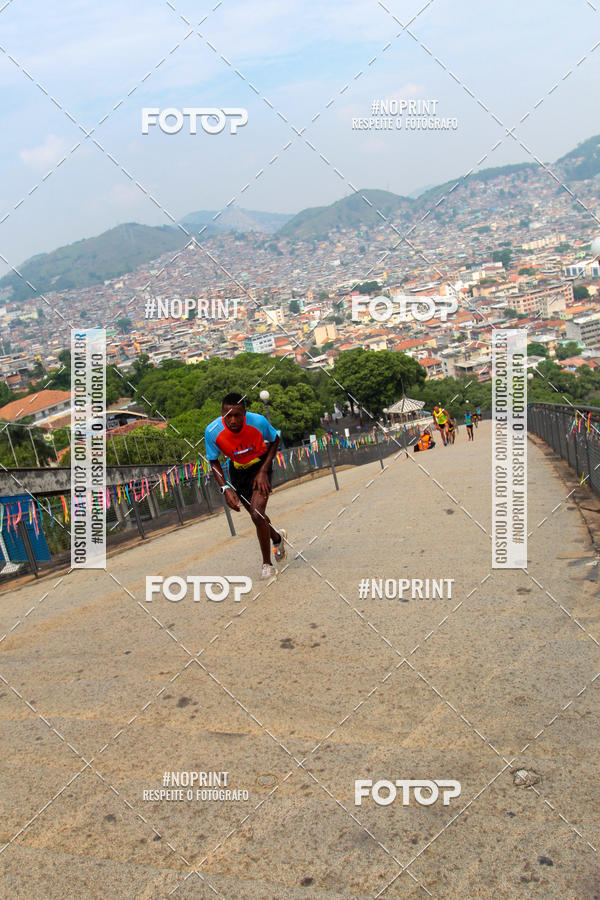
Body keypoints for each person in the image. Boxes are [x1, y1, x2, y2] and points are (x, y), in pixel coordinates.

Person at [205, 393, 286, 579]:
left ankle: (267, 565)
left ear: (245, 413)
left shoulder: (258, 422)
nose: (232, 420)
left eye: (237, 415)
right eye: (228, 415)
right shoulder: (212, 431)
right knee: (256, 516)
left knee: (257, 514)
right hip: (237, 471)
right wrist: (225, 488)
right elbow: (213, 461)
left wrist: (264, 471)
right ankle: (277, 537)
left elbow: (275, 440)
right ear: (221, 413)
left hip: (260, 466)